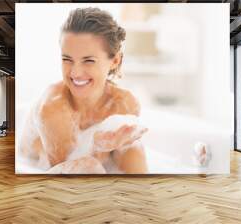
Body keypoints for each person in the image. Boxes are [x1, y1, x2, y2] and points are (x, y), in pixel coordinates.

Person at [20, 7, 148, 174]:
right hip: (35, 165)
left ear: (115, 60)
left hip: (98, 169)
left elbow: (119, 154)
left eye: (88, 61)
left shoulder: (125, 104)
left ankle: (144, 197)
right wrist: (95, 144)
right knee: (90, 166)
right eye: (67, 59)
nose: (75, 73)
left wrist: (104, 146)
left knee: (134, 151)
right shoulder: (53, 110)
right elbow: (63, 170)